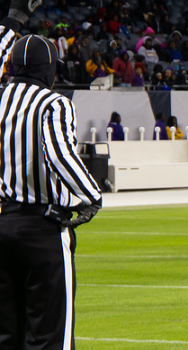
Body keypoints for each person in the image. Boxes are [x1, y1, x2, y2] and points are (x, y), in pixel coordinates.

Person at [0, 20, 106, 349]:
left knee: (6, 334)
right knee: (48, 335)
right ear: (49, 70)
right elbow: (60, 154)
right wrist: (91, 196)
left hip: (2, 221)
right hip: (42, 225)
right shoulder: (53, 103)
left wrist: (9, 23)